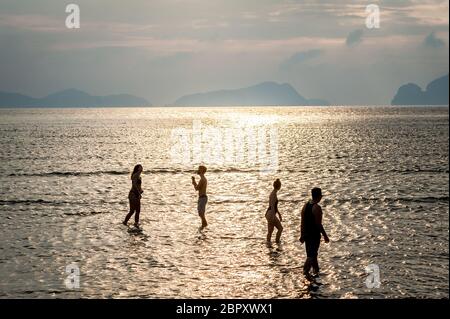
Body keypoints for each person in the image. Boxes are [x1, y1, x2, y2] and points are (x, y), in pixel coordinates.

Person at [299, 187, 329, 276]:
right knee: (311, 256)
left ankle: (316, 270)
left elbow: (302, 221)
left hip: (307, 235)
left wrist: (302, 234)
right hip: (314, 235)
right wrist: (325, 236)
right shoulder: (317, 208)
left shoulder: (306, 205)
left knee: (313, 254)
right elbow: (319, 224)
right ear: (319, 196)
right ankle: (305, 271)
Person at [265, 178, 283, 243]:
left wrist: (279, 214)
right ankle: (277, 242)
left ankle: (268, 244)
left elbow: (275, 206)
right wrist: (273, 217)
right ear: (279, 186)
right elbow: (272, 206)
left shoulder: (274, 193)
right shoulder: (273, 194)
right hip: (270, 214)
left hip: (269, 214)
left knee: (270, 231)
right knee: (280, 228)